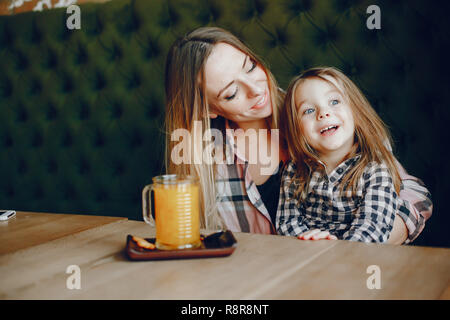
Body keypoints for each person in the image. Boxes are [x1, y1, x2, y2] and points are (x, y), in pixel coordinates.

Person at [164, 27, 432, 244]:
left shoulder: (317, 115)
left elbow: (415, 195)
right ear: (209, 109)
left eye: (250, 67)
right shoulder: (210, 163)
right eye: (231, 93)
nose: (256, 90)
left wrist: (362, 247)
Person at [278, 67, 408, 242]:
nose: (323, 113)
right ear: (296, 129)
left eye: (334, 101)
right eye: (308, 110)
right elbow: (287, 222)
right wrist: (308, 242)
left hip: (357, 259)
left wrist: (336, 250)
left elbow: (373, 227)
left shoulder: (374, 168)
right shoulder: (296, 169)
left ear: (356, 110)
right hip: (307, 257)